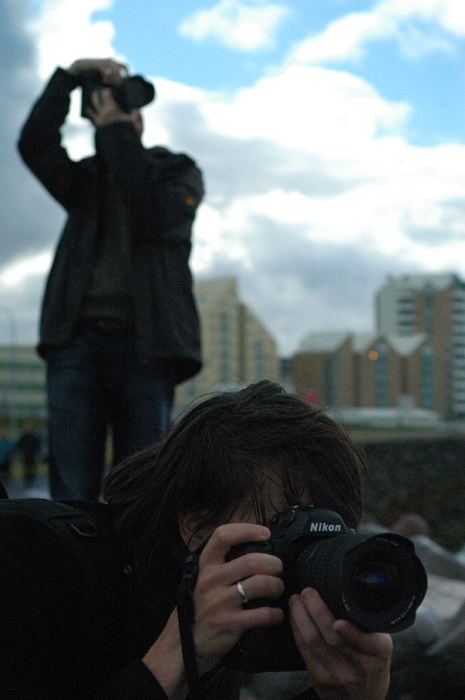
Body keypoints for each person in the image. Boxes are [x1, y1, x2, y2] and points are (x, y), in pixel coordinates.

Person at [0, 381, 392, 699]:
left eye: (322, 539)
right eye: (288, 528)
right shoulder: (29, 556)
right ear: (195, 525)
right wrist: (176, 658)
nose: (298, 560)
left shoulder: (219, 594)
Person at [17, 57, 204, 501]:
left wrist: (114, 130)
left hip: (148, 347)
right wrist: (66, 78)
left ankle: (135, 572)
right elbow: (33, 145)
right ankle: (74, 570)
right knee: (72, 491)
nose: (121, 118)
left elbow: (152, 212)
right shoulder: (85, 180)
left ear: (140, 119)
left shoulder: (177, 172)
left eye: (129, 113)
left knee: (141, 489)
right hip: (77, 344)